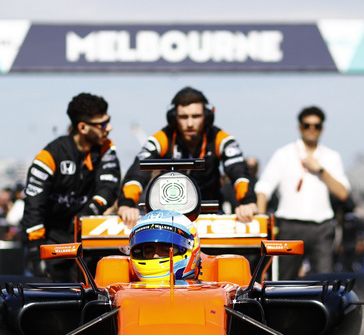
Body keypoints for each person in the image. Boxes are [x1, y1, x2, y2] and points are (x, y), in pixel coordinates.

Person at [117, 87, 257, 228]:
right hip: (167, 217)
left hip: (210, 215)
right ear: (173, 118)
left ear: (207, 116)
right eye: (183, 117)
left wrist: (248, 202)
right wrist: (126, 204)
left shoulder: (220, 138)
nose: (190, 123)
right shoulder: (162, 138)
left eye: (196, 116)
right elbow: (138, 171)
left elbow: (239, 171)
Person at [21, 92, 121, 282]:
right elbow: (33, 205)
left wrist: (90, 210)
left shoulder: (106, 148)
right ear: (82, 127)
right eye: (102, 124)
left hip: (88, 234)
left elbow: (109, 186)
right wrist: (36, 251)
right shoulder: (50, 156)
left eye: (108, 121)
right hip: (52, 239)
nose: (109, 128)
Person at [254, 106, 350, 279]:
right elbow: (263, 187)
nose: (312, 129)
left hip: (322, 227)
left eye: (316, 126)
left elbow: (343, 193)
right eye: (307, 125)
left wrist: (321, 170)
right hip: (290, 226)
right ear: (300, 127)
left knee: (324, 283)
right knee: (285, 282)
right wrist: (261, 224)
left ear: (322, 128)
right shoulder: (284, 154)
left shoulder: (331, 156)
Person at [127, 209, 202, 284]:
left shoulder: (210, 293)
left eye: (165, 250)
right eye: (149, 251)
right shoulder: (123, 290)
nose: (155, 256)